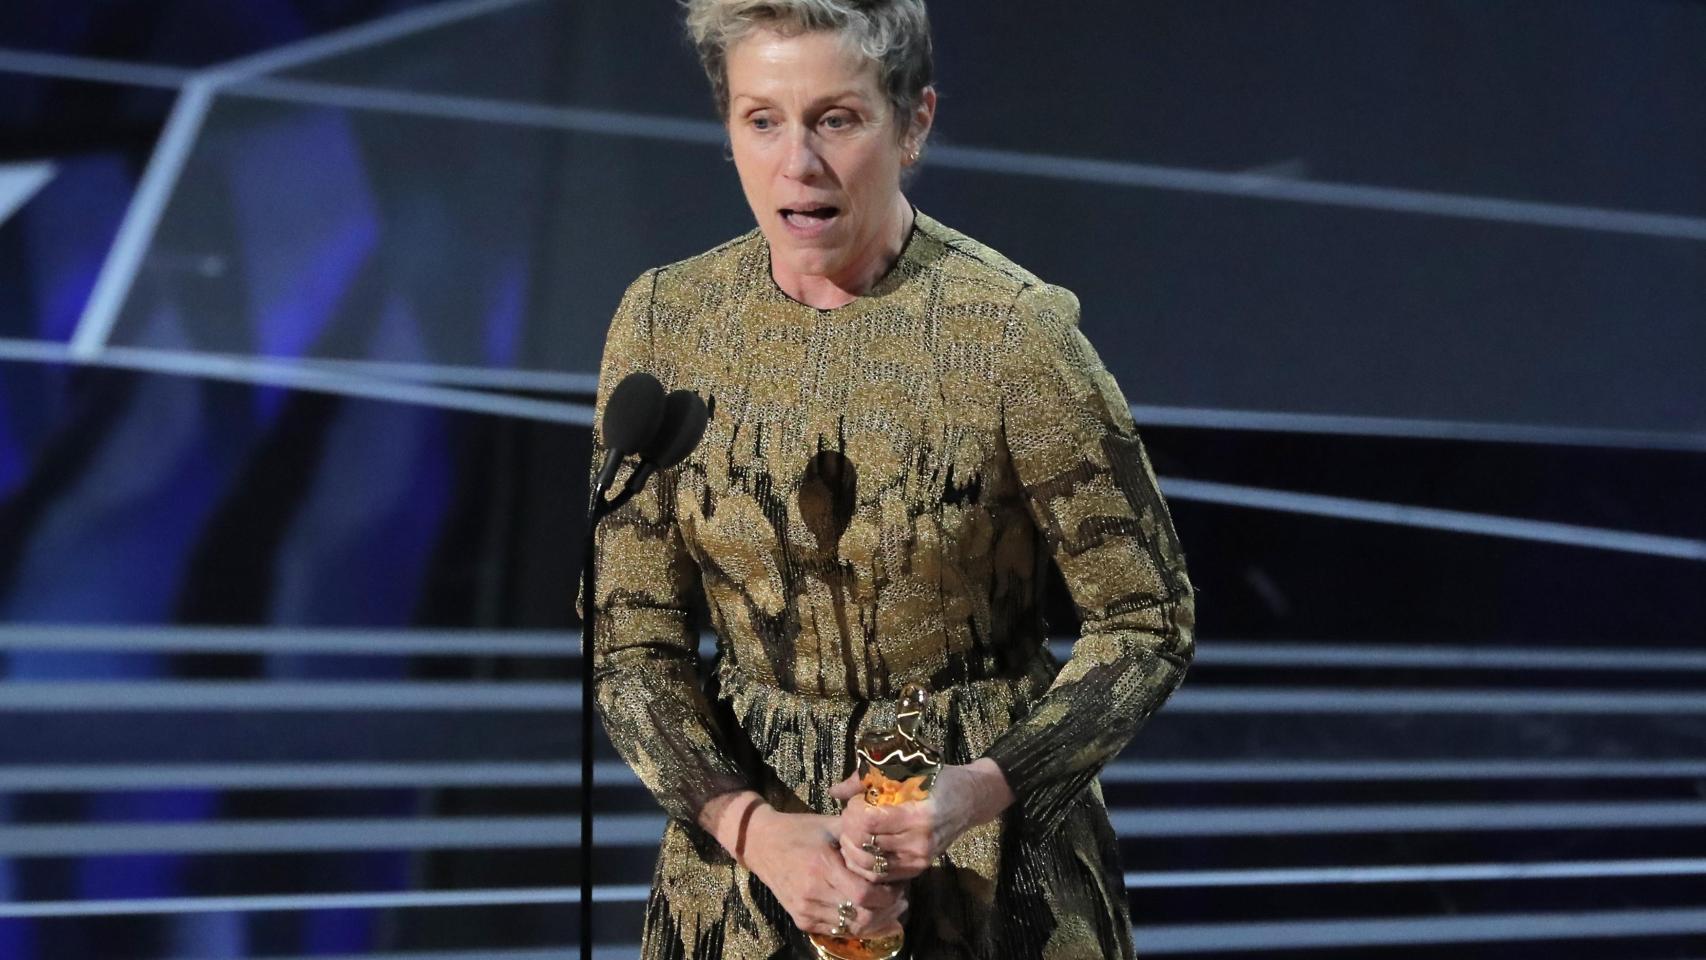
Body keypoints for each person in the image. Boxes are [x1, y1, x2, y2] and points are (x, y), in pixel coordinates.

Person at [583, 1, 1195, 956]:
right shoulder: (667, 323)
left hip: (991, 872)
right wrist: (755, 831)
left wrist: (979, 789)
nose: (799, 163)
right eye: (762, 119)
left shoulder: (1012, 335)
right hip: (745, 881)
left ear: (913, 125)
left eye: (837, 119)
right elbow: (628, 640)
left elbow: (1147, 619)